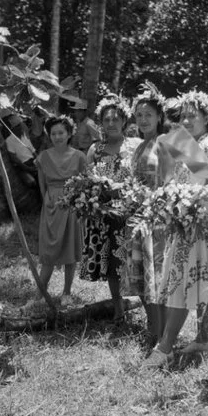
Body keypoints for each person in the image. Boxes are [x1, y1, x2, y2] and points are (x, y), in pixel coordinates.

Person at [144, 90, 208, 368]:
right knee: (187, 276)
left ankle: (165, 346)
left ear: (207, 117)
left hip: (201, 221)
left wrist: (189, 200)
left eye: (194, 115)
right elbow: (173, 178)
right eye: (185, 116)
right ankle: (203, 338)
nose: (188, 120)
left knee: (193, 276)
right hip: (183, 220)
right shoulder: (184, 143)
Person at [80, 94, 141, 320]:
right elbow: (87, 180)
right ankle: (117, 309)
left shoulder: (136, 146)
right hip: (104, 216)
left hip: (131, 215)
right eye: (106, 120)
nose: (111, 124)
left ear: (124, 121)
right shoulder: (95, 149)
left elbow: (143, 178)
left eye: (116, 119)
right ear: (101, 123)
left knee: (134, 262)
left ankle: (143, 302)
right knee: (113, 264)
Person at [124, 82, 172, 350]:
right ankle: (153, 329)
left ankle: (163, 335)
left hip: (159, 220)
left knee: (158, 280)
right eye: (139, 115)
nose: (143, 120)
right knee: (142, 279)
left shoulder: (163, 144)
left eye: (148, 115)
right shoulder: (139, 147)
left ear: (159, 117)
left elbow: (169, 182)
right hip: (138, 219)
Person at [29, 115, 87, 307]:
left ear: (69, 134)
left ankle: (67, 292)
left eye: (61, 132)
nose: (57, 136)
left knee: (70, 248)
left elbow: (84, 181)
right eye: (53, 133)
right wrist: (48, 201)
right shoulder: (44, 156)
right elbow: (41, 182)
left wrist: (76, 201)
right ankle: (39, 294)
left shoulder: (79, 156)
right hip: (52, 204)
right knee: (48, 251)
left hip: (71, 204)